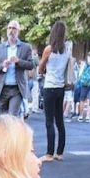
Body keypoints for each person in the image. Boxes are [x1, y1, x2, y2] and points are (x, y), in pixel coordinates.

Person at [37, 21, 74, 162]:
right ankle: (60, 152)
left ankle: (49, 153)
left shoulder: (49, 49)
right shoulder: (67, 51)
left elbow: (41, 67)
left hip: (49, 86)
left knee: (49, 121)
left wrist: (44, 71)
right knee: (60, 121)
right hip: (60, 87)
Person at [0, 21, 35, 118]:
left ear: (18, 31)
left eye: (14, 28)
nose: (11, 31)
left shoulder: (25, 47)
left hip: (17, 88)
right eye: (9, 28)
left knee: (12, 117)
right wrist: (3, 65)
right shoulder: (0, 48)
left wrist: (19, 61)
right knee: (2, 119)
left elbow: (31, 65)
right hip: (3, 88)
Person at [74, 51, 90, 122]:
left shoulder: (86, 64)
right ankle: (88, 116)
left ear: (89, 57)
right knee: (89, 100)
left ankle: (81, 116)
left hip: (84, 83)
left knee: (82, 99)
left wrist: (79, 80)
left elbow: (81, 73)